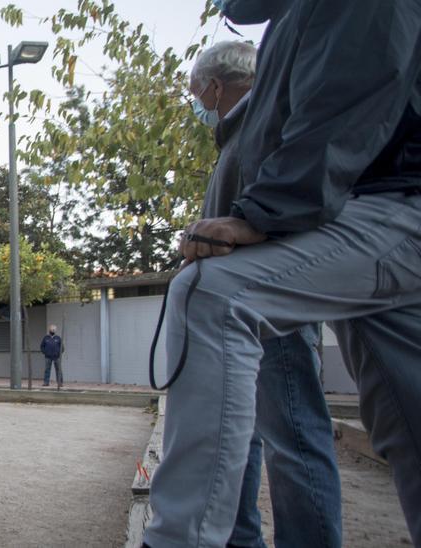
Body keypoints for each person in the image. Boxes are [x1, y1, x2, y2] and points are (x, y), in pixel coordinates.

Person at [145, 2, 421, 546]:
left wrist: (261, 217)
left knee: (210, 295)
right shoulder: (288, 25)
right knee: (406, 423)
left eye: (201, 95)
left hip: (383, 208)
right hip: (360, 220)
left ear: (215, 88)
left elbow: (346, 102)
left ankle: (180, 537)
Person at [186, 39, 342, 548]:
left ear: (213, 86)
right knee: (241, 438)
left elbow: (287, 212)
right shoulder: (236, 137)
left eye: (195, 91)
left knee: (293, 435)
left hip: (270, 313)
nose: (196, 102)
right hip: (246, 315)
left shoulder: (264, 127)